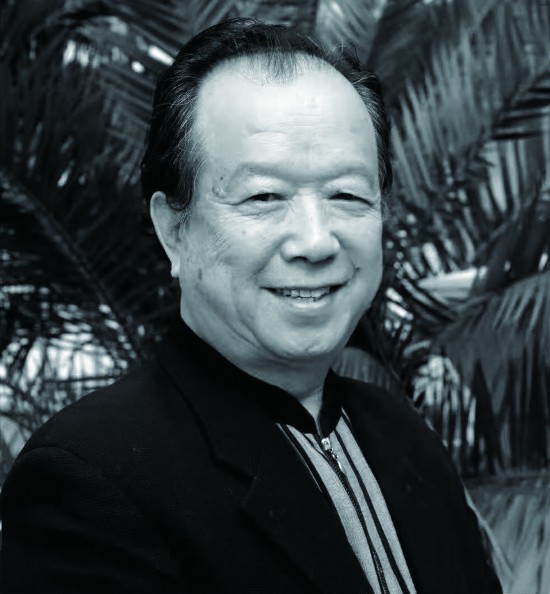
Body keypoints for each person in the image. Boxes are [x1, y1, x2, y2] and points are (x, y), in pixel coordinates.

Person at [0, 18, 502, 594]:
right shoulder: (92, 479)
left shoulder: (401, 434)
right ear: (173, 230)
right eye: (264, 196)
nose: (316, 241)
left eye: (347, 195)